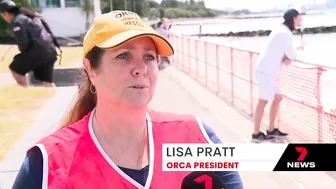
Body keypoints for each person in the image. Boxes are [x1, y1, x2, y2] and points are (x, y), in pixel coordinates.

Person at [12, 10, 244, 189]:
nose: (141, 68)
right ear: (91, 69)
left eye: (149, 57)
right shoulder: (47, 164)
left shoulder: (197, 137)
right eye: (124, 55)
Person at [252, 8, 305, 142]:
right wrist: (295, 53)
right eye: (300, 17)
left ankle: (271, 130)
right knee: (262, 101)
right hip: (266, 72)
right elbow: (291, 56)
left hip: (267, 71)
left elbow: (286, 55)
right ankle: (256, 134)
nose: (301, 19)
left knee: (277, 98)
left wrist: (290, 56)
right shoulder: (284, 33)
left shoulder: (281, 30)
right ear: (293, 18)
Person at [0, 0, 60, 87]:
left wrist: (25, 52)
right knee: (48, 81)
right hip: (51, 52)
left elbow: (23, 43)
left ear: (6, 13)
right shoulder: (29, 16)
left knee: (15, 68)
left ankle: (25, 90)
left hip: (39, 53)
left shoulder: (17, 21)